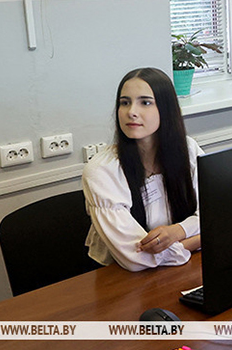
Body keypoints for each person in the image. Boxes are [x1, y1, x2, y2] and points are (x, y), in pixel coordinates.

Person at [82, 67, 202, 271]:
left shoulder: (188, 149)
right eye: (125, 103)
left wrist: (178, 231)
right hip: (117, 275)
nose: (131, 112)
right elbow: (136, 258)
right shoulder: (102, 170)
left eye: (145, 102)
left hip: (179, 269)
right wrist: (196, 240)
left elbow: (215, 213)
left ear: (166, 109)